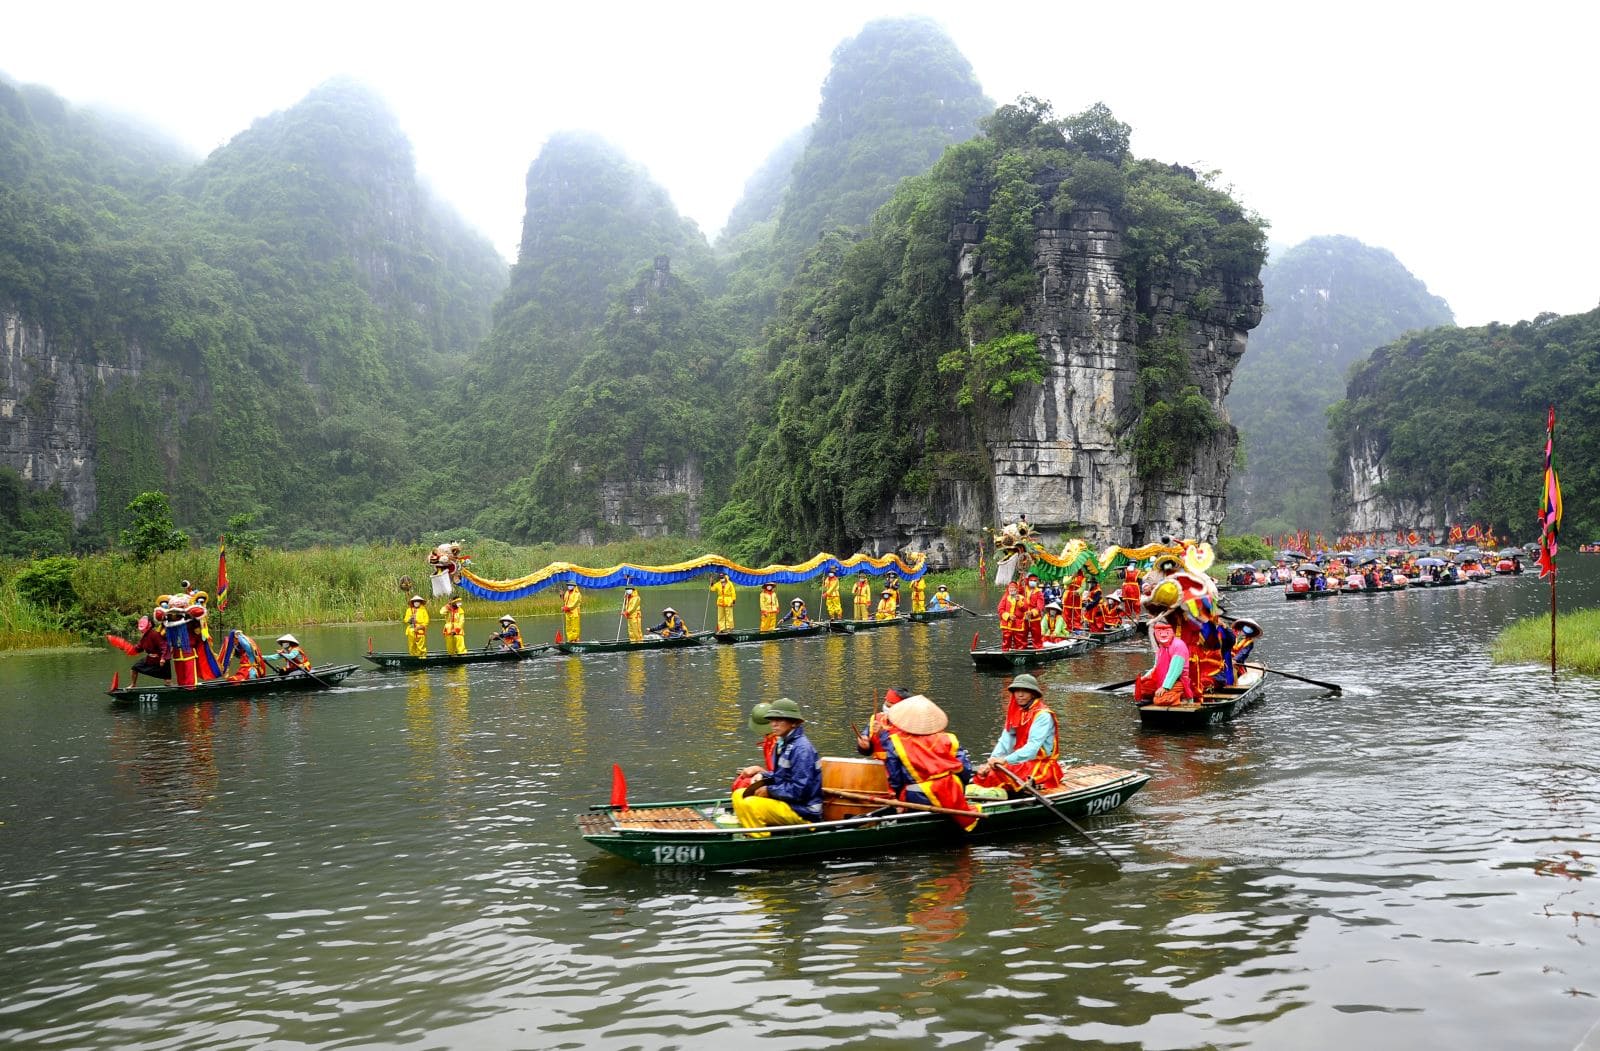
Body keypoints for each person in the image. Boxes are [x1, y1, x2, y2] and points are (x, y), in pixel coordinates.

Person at [881, 695, 978, 830]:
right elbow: (965, 771)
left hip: (917, 797)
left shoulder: (895, 742)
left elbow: (894, 779)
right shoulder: (949, 739)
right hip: (951, 793)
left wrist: (896, 800)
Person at [730, 697, 822, 831]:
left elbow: (800, 791)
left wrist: (769, 791)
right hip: (788, 803)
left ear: (794, 723)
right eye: (772, 720)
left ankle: (759, 838)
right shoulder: (784, 743)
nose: (773, 724)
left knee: (750, 803)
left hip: (804, 810)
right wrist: (763, 776)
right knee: (738, 795)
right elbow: (780, 776)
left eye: (779, 720)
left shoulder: (802, 749)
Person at [968, 674, 1064, 796]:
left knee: (997, 775)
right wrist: (992, 761)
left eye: (1025, 691)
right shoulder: (1017, 712)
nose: (1020, 695)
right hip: (1022, 762)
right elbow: (1005, 741)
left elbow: (1032, 748)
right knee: (985, 773)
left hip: (1040, 765)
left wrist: (1005, 760)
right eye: (1017, 691)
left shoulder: (1043, 715)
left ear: (1033, 694)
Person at [1135, 617, 1193, 706]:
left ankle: (1182, 697)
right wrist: (1145, 677)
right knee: (1141, 687)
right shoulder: (1161, 647)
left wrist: (1165, 687)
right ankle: (1154, 695)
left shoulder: (1178, 646)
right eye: (1159, 631)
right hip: (1162, 679)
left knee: (1160, 700)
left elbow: (1175, 671)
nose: (1163, 635)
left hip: (1178, 681)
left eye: (1166, 631)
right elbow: (1156, 667)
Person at [731, 701, 778, 795]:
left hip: (779, 785)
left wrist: (760, 771)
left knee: (743, 785)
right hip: (772, 777)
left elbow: (782, 776)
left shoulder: (779, 742)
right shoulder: (769, 740)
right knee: (740, 781)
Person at [856, 686, 910, 760]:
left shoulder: (911, 727)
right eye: (886, 704)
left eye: (889, 706)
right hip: (877, 765)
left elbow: (900, 754)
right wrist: (864, 746)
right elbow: (867, 751)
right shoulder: (875, 719)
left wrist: (882, 733)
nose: (886, 708)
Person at [128, 613, 171, 685]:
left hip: (161, 659)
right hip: (150, 659)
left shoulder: (155, 634)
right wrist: (128, 649)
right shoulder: (144, 636)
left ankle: (170, 687)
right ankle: (133, 685)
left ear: (150, 624)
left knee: (167, 681)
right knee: (134, 668)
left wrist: (163, 658)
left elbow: (164, 646)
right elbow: (139, 648)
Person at [997, 580, 1025, 651]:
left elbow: (1025, 608)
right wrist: (1008, 616)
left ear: (1016, 589)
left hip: (1017, 624)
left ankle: (1020, 653)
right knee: (1006, 641)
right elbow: (1000, 609)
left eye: (1013, 588)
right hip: (1007, 624)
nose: (1012, 589)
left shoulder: (1021, 598)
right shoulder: (1005, 598)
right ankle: (1005, 652)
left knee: (1019, 641)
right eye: (1010, 588)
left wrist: (1018, 601)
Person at [1023, 574, 1045, 649]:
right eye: (1031, 580)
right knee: (1023, 633)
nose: (1032, 582)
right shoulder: (1024, 589)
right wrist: (1022, 576)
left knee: (1036, 634)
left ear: (1037, 582)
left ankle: (1038, 647)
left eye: (1034, 581)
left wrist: (1032, 612)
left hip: (1035, 618)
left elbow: (1040, 606)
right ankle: (1022, 647)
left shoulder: (1039, 593)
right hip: (1024, 616)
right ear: (1028, 581)